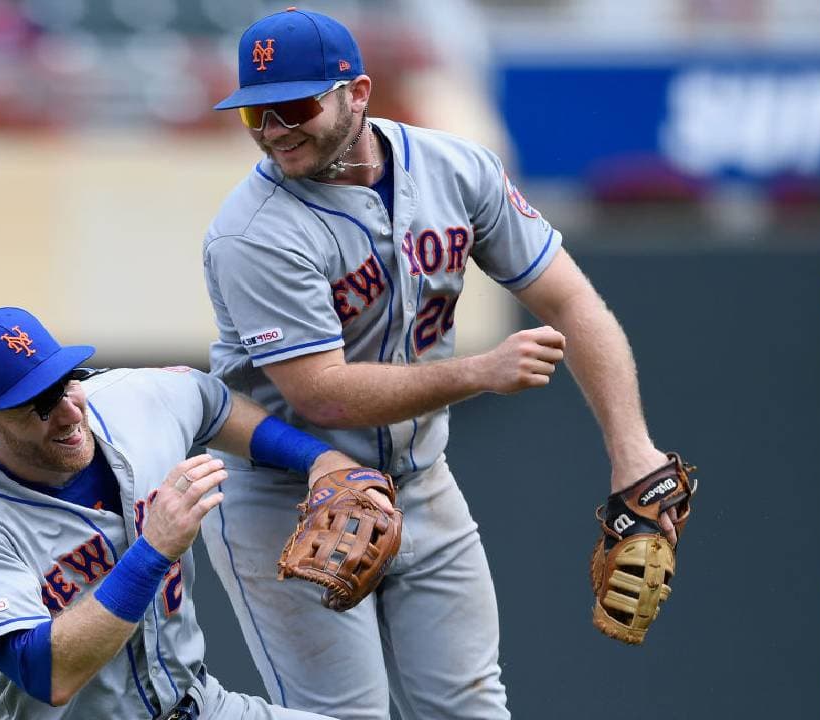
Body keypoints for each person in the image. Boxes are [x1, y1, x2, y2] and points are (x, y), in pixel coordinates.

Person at [199, 9, 681, 720]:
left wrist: (632, 449)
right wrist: (479, 373)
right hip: (290, 496)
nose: (274, 128)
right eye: (254, 115)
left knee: (471, 708)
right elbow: (324, 395)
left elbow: (574, 303)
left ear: (356, 92)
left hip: (421, 482)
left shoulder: (457, 168)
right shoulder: (253, 232)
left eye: (295, 105)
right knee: (342, 717)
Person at [0, 306, 361, 720]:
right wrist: (154, 550)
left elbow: (212, 404)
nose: (71, 412)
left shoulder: (126, 400)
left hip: (201, 704)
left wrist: (319, 460)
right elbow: (47, 673)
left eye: (65, 382)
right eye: (40, 404)